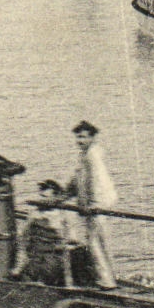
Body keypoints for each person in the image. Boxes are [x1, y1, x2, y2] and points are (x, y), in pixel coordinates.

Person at [62, 120, 118, 289]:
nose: (80, 141)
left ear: (92, 138)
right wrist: (64, 193)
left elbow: (96, 181)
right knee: (97, 241)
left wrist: (93, 204)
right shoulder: (84, 155)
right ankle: (107, 277)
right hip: (93, 205)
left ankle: (107, 281)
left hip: (98, 205)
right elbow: (77, 179)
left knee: (96, 242)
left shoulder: (93, 155)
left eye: (84, 137)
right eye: (78, 137)